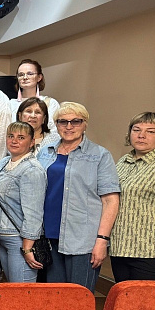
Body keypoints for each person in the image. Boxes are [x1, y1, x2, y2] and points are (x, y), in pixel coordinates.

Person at [38, 102, 120, 292]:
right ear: (56, 125)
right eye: (63, 122)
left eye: (76, 121)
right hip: (49, 236)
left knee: (79, 299)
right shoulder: (45, 153)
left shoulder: (100, 155)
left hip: (83, 240)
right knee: (55, 297)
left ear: (85, 124)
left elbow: (110, 200)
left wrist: (102, 240)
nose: (69, 126)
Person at [110, 112, 155, 282]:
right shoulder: (123, 161)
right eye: (136, 130)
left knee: (150, 299)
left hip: (153, 251)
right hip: (120, 248)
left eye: (150, 131)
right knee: (125, 297)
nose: (141, 135)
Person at [0, 122, 48, 284]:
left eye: (21, 137)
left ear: (32, 142)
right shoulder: (3, 163)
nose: (14, 141)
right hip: (2, 237)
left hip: (19, 240)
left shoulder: (32, 170)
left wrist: (28, 248)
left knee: (22, 293)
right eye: (11, 136)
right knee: (11, 291)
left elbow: (34, 213)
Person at [9, 59, 60, 132]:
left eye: (30, 74)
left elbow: (55, 131)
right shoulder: (9, 104)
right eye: (21, 75)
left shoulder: (50, 103)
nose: (25, 77)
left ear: (39, 77)